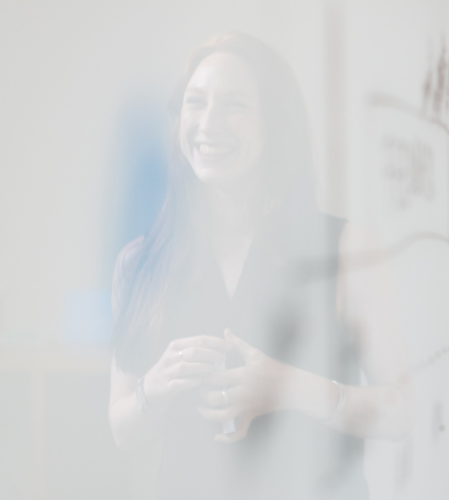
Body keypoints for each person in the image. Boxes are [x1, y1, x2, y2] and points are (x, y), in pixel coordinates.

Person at [108, 33, 412, 500]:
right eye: (196, 102)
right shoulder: (140, 263)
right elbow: (124, 432)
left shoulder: (347, 250)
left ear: (276, 124)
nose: (209, 123)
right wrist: (157, 384)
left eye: (234, 105)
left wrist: (291, 387)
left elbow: (401, 412)